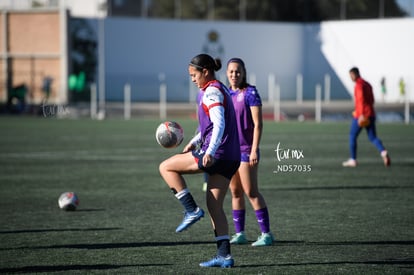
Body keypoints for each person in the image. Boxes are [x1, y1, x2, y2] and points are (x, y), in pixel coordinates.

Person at [159, 54, 240, 268]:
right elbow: (211, 126)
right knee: (214, 205)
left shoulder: (211, 91)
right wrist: (196, 141)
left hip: (217, 154)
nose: (193, 79)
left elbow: (219, 123)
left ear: (205, 71)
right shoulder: (218, 88)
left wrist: (210, 150)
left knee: (166, 167)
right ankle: (224, 256)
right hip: (231, 157)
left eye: (194, 75)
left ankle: (191, 210)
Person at [226, 58, 274, 246]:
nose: (234, 75)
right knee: (235, 191)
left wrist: (254, 150)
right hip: (231, 151)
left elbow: (258, 124)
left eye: (237, 71)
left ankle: (267, 234)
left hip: (247, 151)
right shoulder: (226, 93)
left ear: (243, 72)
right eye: (231, 71)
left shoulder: (250, 93)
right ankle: (240, 234)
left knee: (251, 192)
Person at [342, 67, 391, 167]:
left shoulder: (359, 85)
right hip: (371, 114)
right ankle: (383, 151)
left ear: (355, 74)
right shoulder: (368, 84)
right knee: (373, 137)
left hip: (362, 115)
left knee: (352, 136)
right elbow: (372, 100)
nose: (350, 77)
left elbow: (361, 101)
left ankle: (353, 159)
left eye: (351, 75)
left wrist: (360, 115)